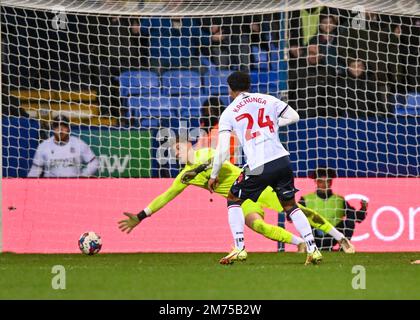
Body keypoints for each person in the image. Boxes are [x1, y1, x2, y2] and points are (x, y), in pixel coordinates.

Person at [118, 141, 355, 264]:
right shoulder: (184, 177)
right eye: (173, 153)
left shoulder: (204, 153)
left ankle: (340, 237)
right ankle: (299, 243)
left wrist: (198, 170)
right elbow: (164, 197)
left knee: (297, 209)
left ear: (189, 145)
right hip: (241, 200)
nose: (176, 153)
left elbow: (218, 160)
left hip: (255, 186)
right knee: (257, 226)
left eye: (178, 147)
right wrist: (140, 216)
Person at [208, 71, 324, 265]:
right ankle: (313, 250)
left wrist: (214, 174)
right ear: (249, 85)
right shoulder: (267, 99)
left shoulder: (229, 112)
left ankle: (239, 248)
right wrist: (273, 125)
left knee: (233, 198)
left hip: (259, 165)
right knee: (290, 205)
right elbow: (294, 116)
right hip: (282, 160)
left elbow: (222, 151)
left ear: (230, 89)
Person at [299, 167, 368, 251]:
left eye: (327, 181)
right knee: (302, 221)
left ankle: (344, 248)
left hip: (333, 235)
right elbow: (292, 217)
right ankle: (308, 247)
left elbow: (356, 217)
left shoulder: (339, 200)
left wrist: (363, 208)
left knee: (349, 222)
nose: (324, 184)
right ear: (316, 182)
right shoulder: (306, 199)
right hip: (314, 235)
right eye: (321, 181)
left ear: (331, 182)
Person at [27, 115, 99, 177]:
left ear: (68, 128)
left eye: (63, 126)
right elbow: (35, 169)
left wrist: (83, 175)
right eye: (57, 126)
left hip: (73, 185)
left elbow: (94, 162)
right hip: (50, 186)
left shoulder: (78, 143)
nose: (60, 130)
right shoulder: (44, 146)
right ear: (53, 129)